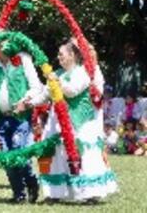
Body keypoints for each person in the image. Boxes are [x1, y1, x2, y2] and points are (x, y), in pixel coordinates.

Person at [41, 40, 117, 202]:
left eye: (61, 54)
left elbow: (72, 91)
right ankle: (56, 193)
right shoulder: (59, 73)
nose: (58, 57)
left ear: (73, 55)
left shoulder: (84, 72)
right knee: (58, 154)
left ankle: (90, 193)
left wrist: (56, 81)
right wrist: (28, 101)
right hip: (59, 120)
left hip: (81, 121)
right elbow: (44, 93)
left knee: (84, 153)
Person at [0, 40, 43, 203]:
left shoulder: (23, 60)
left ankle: (31, 182)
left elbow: (36, 87)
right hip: (1, 119)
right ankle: (18, 194)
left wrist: (25, 101)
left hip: (20, 117)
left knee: (19, 153)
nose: (0, 48)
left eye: (2, 44)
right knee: (7, 158)